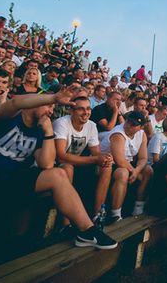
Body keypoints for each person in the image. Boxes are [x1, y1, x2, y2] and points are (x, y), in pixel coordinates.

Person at [0, 86, 118, 249]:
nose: (51, 111)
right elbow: (16, 102)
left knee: (57, 174)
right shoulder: (8, 116)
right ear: (36, 102)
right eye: (48, 106)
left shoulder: (39, 132)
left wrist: (47, 131)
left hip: (8, 180)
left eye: (53, 108)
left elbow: (46, 164)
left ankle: (87, 230)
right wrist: (53, 98)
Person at [54, 96, 113, 232]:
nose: (86, 112)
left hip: (78, 162)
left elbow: (96, 153)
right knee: (67, 168)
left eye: (88, 108)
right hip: (57, 165)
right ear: (71, 111)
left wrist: (105, 158)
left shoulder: (91, 125)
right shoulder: (61, 123)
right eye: (80, 109)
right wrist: (94, 159)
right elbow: (61, 156)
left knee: (107, 166)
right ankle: (66, 223)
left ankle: (97, 216)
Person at [100, 111, 152, 222]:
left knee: (148, 170)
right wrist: (135, 172)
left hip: (127, 163)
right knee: (123, 173)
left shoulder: (142, 134)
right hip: (107, 163)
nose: (129, 126)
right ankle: (116, 213)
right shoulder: (118, 134)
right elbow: (119, 160)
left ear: (140, 127)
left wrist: (137, 170)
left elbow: (143, 158)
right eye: (128, 122)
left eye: (134, 125)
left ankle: (138, 207)